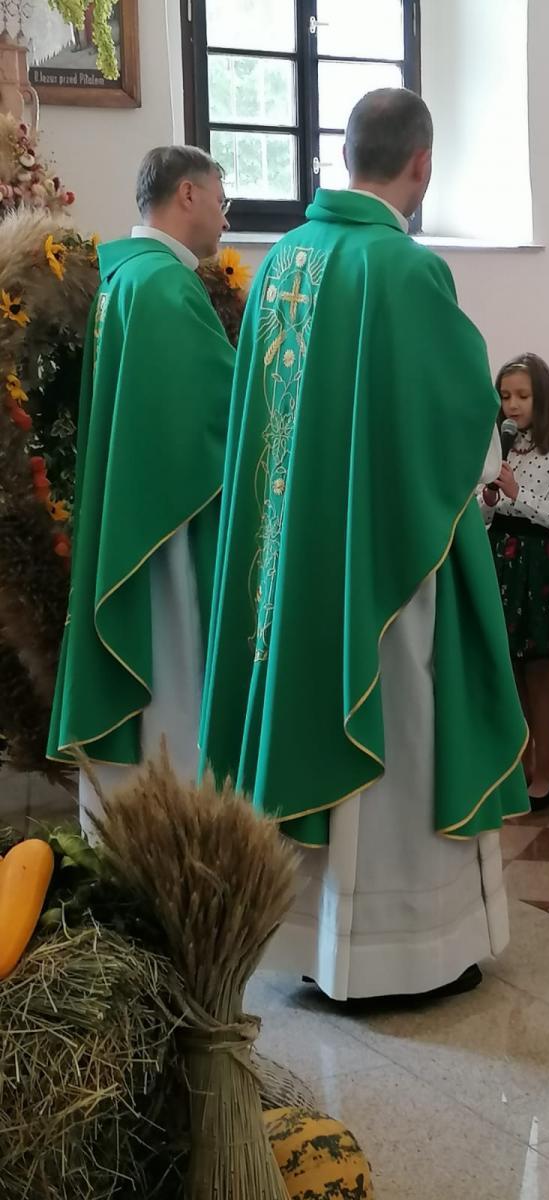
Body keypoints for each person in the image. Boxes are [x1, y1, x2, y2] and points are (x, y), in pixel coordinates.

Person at [199, 89, 529, 1004]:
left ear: (346, 157)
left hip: (292, 564)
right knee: (406, 730)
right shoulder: (404, 268)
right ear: (422, 164)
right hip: (387, 564)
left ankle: (312, 939)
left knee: (309, 712)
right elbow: (461, 415)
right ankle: (402, 949)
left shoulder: (281, 262)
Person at [47, 146, 235, 831]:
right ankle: (173, 834)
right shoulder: (163, 287)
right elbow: (221, 410)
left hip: (142, 514)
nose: (224, 218)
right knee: (175, 677)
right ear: (187, 194)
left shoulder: (127, 280)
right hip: (166, 531)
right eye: (221, 200)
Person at [479, 354, 549, 812]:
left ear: (542, 397)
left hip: (539, 563)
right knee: (508, 673)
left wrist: (517, 494)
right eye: (505, 396)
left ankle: (545, 774)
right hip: (499, 560)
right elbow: (482, 514)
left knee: (539, 675)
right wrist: (489, 499)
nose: (513, 405)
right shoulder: (495, 446)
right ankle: (515, 769)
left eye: (523, 395)